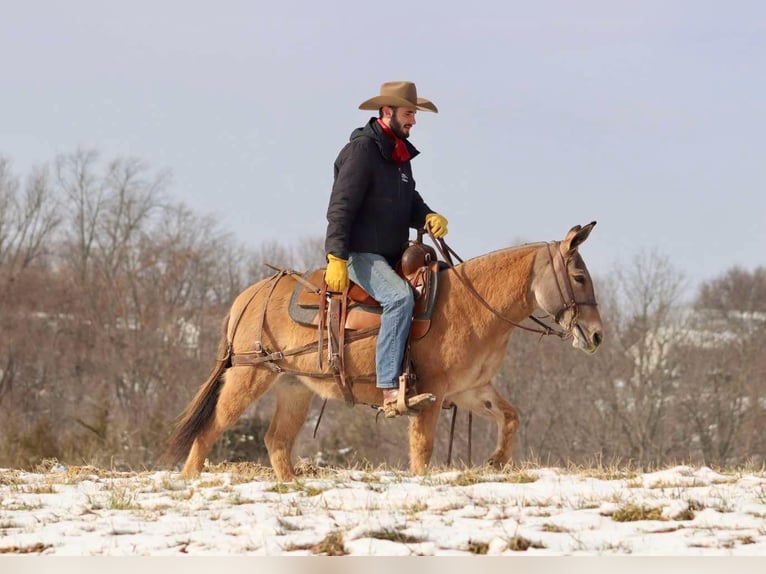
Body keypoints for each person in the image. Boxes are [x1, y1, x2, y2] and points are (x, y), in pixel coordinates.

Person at [323, 81, 449, 416]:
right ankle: (390, 389)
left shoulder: (399, 154)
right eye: (409, 114)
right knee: (399, 298)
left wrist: (428, 216)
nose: (414, 121)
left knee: (439, 288)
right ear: (387, 112)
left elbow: (410, 202)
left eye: (414, 114)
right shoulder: (362, 151)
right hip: (360, 255)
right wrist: (336, 256)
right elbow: (341, 206)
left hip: (392, 254)